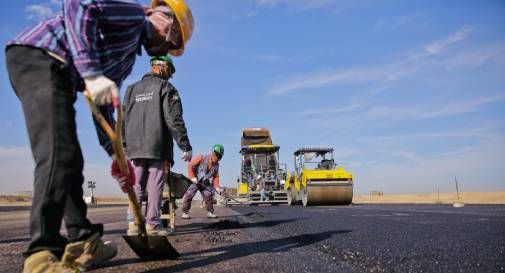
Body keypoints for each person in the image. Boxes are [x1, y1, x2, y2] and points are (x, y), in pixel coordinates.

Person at [4, 0, 194, 272]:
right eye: (171, 37)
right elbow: (79, 5)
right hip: (40, 55)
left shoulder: (127, 57)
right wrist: (91, 73)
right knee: (58, 156)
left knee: (71, 161)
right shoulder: (133, 15)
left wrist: (115, 154)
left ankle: (84, 240)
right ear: (161, 16)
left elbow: (102, 103)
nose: (167, 47)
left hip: (61, 73)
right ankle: (40, 253)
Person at [123, 55, 192, 236]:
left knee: (136, 184)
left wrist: (124, 144)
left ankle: (133, 224)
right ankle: (152, 224)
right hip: (157, 146)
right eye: (169, 72)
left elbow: (124, 119)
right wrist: (185, 145)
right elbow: (174, 119)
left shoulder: (131, 90)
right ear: (161, 67)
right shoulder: (166, 88)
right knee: (155, 185)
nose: (169, 76)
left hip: (135, 147)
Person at [181, 145, 224, 219]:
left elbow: (216, 177)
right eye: (217, 155)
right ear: (213, 153)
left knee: (208, 194)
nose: (217, 158)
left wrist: (217, 187)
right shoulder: (202, 157)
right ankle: (185, 212)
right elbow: (190, 165)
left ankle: (210, 212)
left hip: (205, 181)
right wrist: (192, 177)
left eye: (219, 156)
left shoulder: (216, 165)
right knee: (189, 194)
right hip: (196, 180)